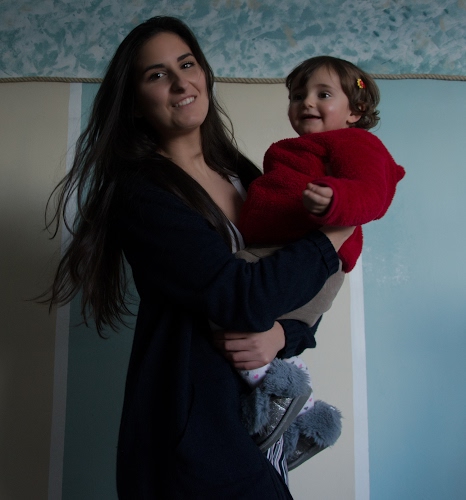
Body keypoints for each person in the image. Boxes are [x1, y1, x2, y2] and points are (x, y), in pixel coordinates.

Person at [42, 17, 354, 499]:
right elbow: (241, 297)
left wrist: (281, 335)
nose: (180, 82)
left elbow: (300, 294)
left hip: (259, 428)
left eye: (187, 64)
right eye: (157, 74)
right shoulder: (141, 194)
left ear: (204, 74)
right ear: (135, 102)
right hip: (193, 437)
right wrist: (336, 230)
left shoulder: (245, 176)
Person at [235, 55, 406, 468]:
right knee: (242, 322)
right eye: (298, 96)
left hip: (313, 260)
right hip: (281, 253)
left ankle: (287, 401)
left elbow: (375, 190)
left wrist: (335, 200)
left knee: (227, 300)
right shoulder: (298, 148)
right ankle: (303, 425)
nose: (306, 102)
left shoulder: (356, 143)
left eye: (323, 94)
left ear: (355, 111)